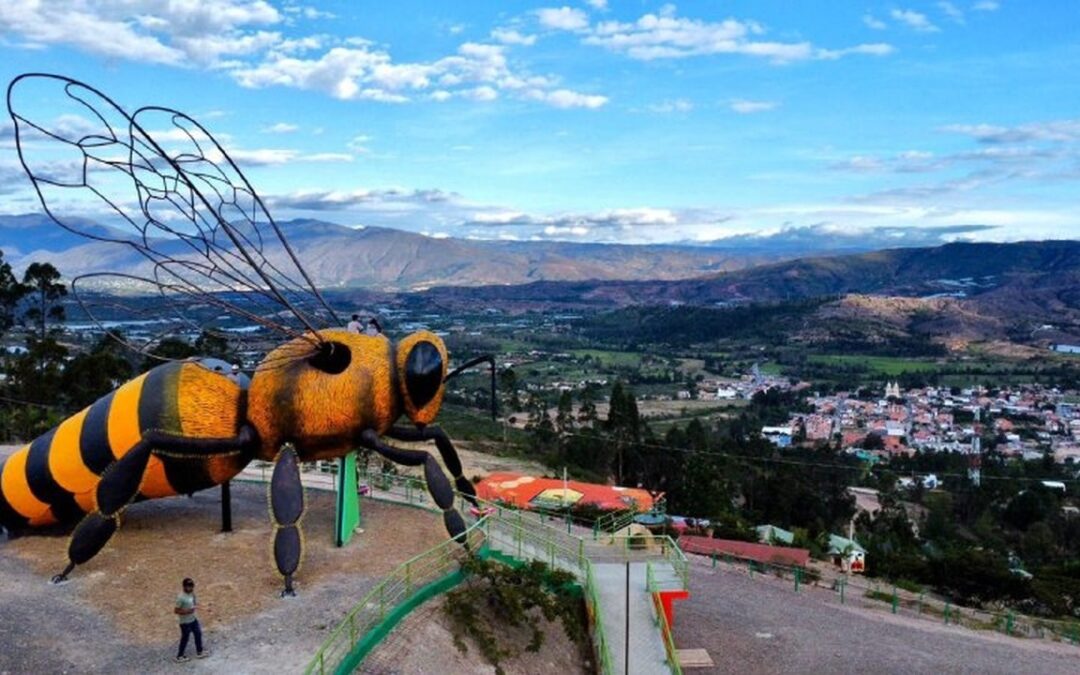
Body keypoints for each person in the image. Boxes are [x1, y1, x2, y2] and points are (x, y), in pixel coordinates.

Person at [174, 578, 208, 662]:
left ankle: (199, 652)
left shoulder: (192, 594)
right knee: (185, 638)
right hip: (185, 622)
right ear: (184, 587)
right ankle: (179, 656)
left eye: (191, 586)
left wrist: (204, 607)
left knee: (198, 634)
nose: (190, 588)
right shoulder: (181, 598)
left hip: (193, 619)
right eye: (188, 586)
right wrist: (187, 611)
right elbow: (176, 610)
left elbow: (194, 604)